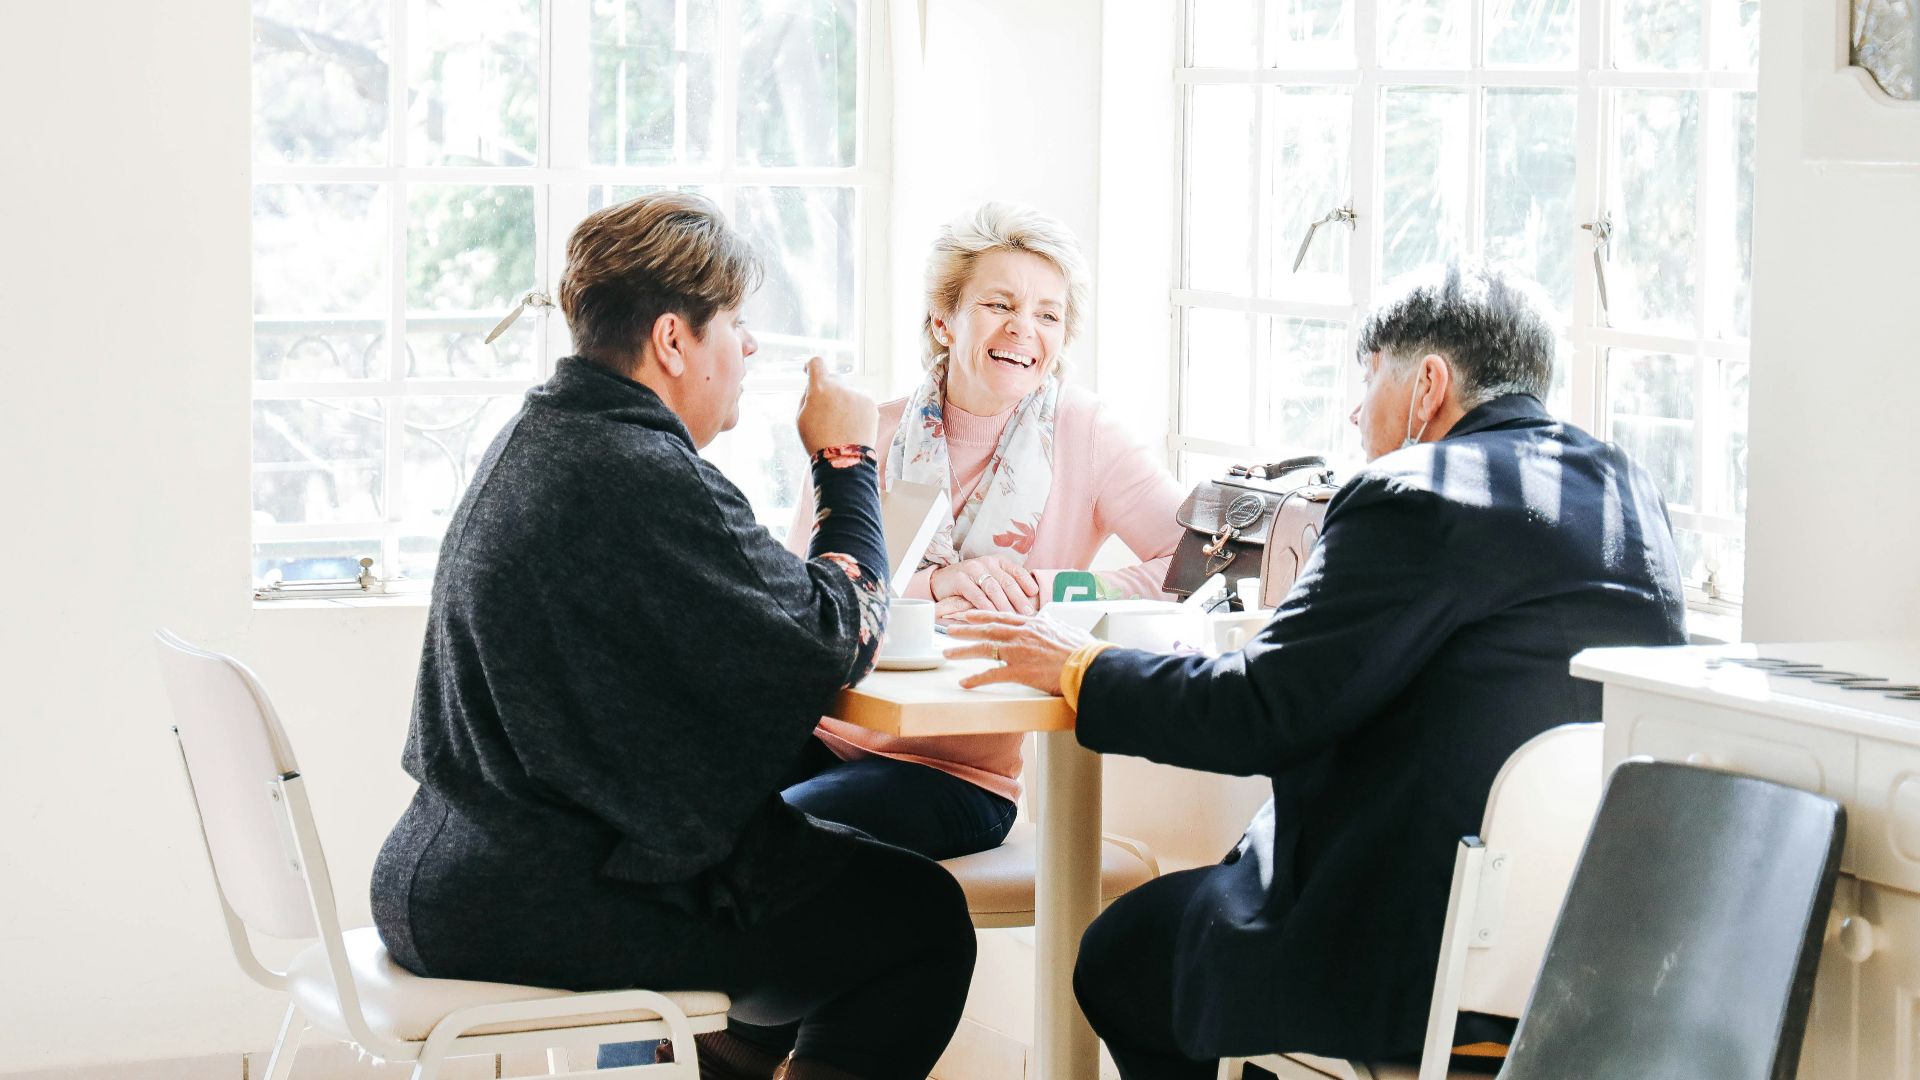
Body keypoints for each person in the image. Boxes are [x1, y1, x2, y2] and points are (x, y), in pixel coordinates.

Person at [945, 262, 1688, 1077]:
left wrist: (1080, 666)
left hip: (1403, 953)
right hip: (1578, 965)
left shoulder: (1413, 491)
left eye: (1369, 381)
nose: (1354, 411)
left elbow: (1259, 710)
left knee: (1121, 952)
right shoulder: (1627, 492)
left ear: (1427, 385)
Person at [370, 192, 976, 1080]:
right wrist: (846, 460)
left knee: (820, 892)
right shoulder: (638, 470)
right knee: (916, 922)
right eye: (734, 322)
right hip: (533, 895)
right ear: (672, 340)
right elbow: (837, 635)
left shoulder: (545, 435)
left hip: (451, 868)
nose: (751, 346)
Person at [777, 201, 1186, 859]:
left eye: (1048, 315)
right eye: (1000, 305)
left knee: (778, 843)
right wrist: (941, 583)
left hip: (953, 777)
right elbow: (800, 597)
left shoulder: (1085, 433)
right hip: (821, 732)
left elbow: (1194, 566)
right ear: (944, 320)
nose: (1024, 329)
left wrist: (1039, 591)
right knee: (690, 812)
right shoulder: (867, 433)